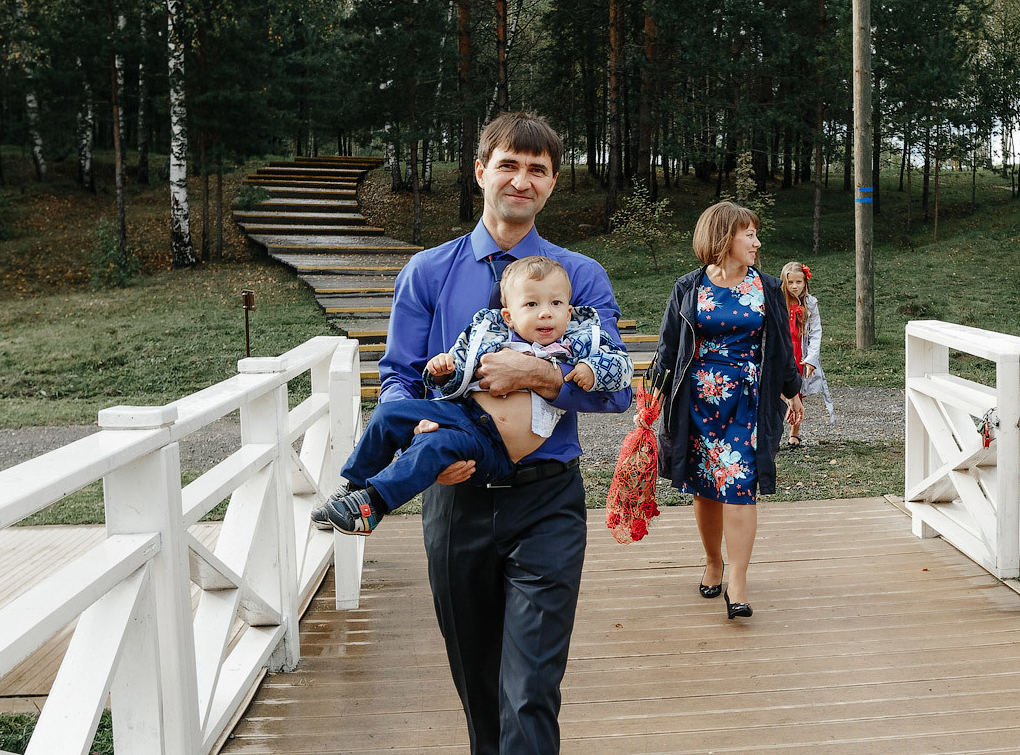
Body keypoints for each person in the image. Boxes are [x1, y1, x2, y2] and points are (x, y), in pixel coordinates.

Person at [340, 111, 632, 755]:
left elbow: (612, 382)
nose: (524, 179)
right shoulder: (430, 273)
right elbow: (397, 376)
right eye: (511, 163)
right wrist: (441, 439)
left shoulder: (578, 276)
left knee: (529, 690)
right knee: (480, 685)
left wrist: (534, 371)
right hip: (459, 503)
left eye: (540, 169)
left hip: (547, 505)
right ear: (480, 170)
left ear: (551, 183)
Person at [312, 256, 631, 533]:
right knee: (388, 415)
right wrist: (444, 372)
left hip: (492, 446)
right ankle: (353, 486)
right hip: (464, 414)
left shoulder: (576, 344)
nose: (545, 313)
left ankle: (372, 506)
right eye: (532, 304)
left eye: (556, 304)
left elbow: (621, 367)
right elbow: (455, 378)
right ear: (509, 315)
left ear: (569, 311)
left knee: (436, 448)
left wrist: (593, 369)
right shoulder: (489, 335)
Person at [650, 202, 800, 620]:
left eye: (755, 233)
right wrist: (652, 401)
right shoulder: (688, 287)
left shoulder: (767, 287)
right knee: (705, 487)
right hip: (698, 400)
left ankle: (738, 582)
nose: (757, 242)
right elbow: (667, 349)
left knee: (739, 486)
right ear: (723, 238)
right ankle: (713, 561)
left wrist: (792, 392)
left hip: (749, 402)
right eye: (748, 234)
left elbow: (783, 347)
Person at [779, 261, 832, 446]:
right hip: (782, 350)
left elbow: (816, 332)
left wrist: (811, 360)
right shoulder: (777, 300)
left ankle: (795, 432)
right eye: (791, 282)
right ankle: (776, 425)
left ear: (805, 282)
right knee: (776, 388)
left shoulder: (810, 303)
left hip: (799, 352)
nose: (795, 286)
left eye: (799, 282)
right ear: (784, 282)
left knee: (797, 390)